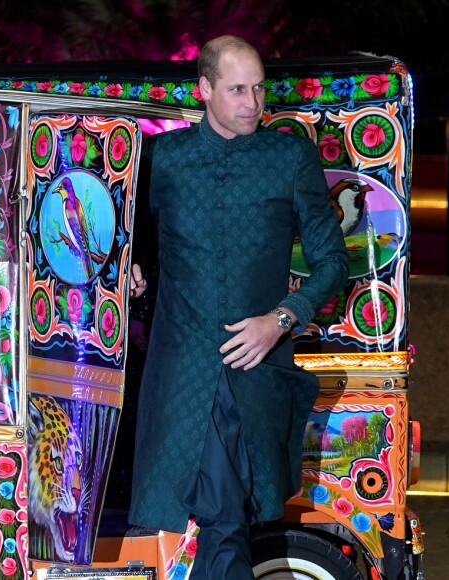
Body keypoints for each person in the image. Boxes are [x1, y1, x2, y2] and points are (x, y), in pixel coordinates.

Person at [128, 35, 349, 579]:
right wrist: (130, 268)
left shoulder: (289, 158)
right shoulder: (164, 159)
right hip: (180, 372)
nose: (252, 102)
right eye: (236, 90)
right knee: (215, 522)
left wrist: (279, 320)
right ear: (204, 90)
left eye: (258, 88)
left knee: (225, 520)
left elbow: (333, 264)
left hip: (252, 375)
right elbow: (133, 245)